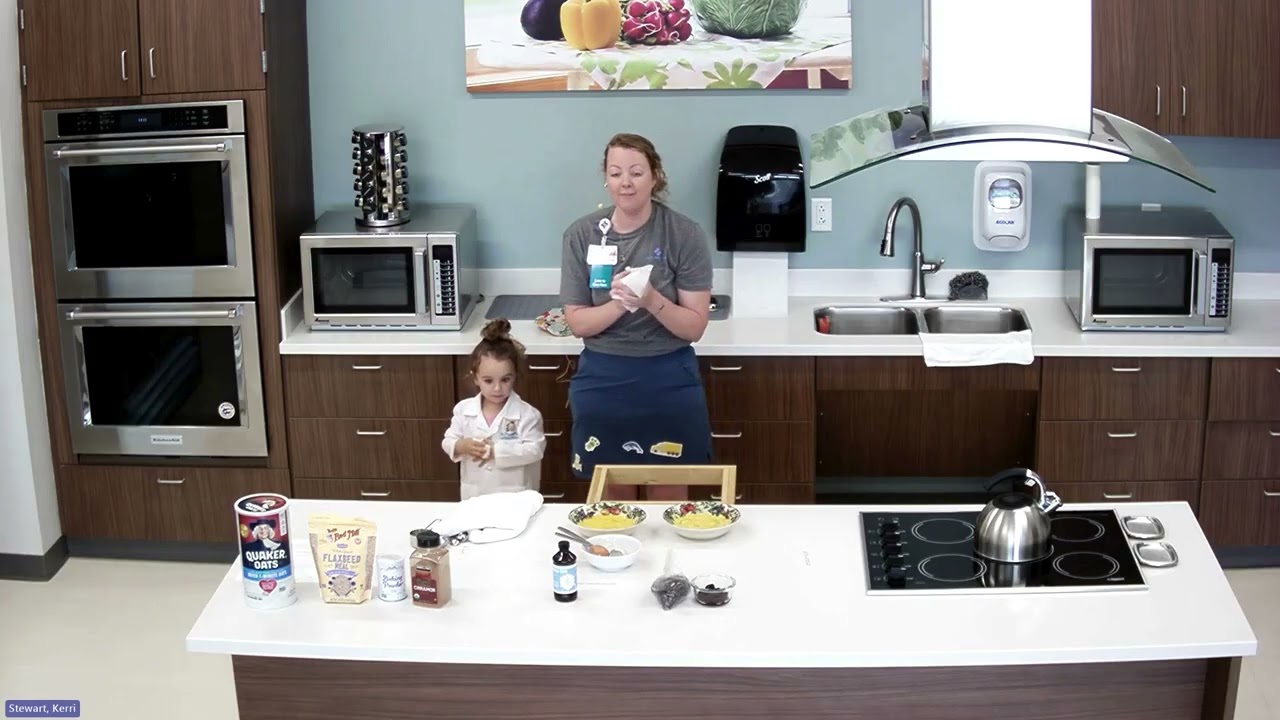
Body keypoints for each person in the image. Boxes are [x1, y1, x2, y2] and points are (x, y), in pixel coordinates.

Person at [559, 133, 714, 501]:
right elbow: (578, 322)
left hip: (668, 380)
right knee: (616, 506)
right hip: (604, 380)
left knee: (670, 501)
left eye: (636, 172)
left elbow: (694, 327)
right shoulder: (581, 235)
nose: (625, 183)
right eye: (615, 173)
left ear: (655, 176)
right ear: (606, 178)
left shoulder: (683, 234)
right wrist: (620, 304)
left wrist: (650, 300)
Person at [442, 319, 547, 500]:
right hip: (475, 496)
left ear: (515, 376)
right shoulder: (463, 410)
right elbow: (448, 440)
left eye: (505, 379)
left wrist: (496, 451)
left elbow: (535, 450)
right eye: (488, 381)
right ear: (475, 378)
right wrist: (461, 446)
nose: (497, 388)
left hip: (516, 497)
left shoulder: (528, 415)